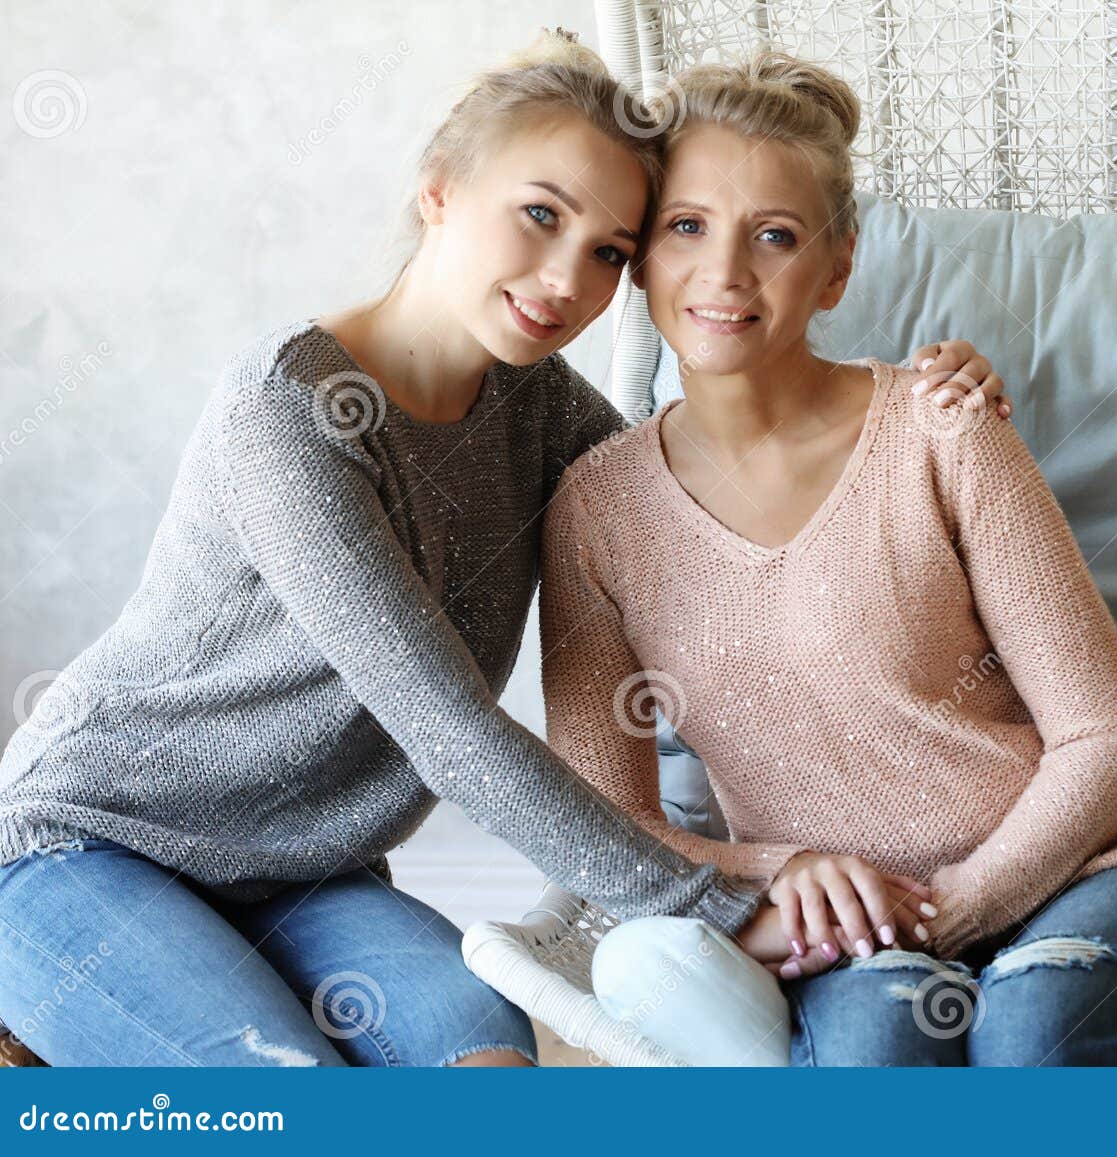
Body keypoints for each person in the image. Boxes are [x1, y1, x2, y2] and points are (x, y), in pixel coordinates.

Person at [0, 29, 1008, 1067]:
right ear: (438, 190)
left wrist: (912, 405)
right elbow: (447, 728)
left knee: (488, 1067)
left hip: (311, 877)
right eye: (540, 214)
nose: (568, 277)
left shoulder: (538, 408)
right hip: (96, 839)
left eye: (611, 249)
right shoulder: (288, 413)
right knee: (277, 1088)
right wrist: (724, 897)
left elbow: (721, 522)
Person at [539, 49, 1117, 1065]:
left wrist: (953, 909)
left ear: (836, 266)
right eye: (685, 226)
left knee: (1030, 1030)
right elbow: (603, 824)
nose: (725, 272)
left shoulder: (944, 427)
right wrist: (788, 868)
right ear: (638, 257)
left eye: (775, 236)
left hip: (1112, 860)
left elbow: (1108, 738)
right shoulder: (594, 510)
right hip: (860, 921)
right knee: (879, 1056)